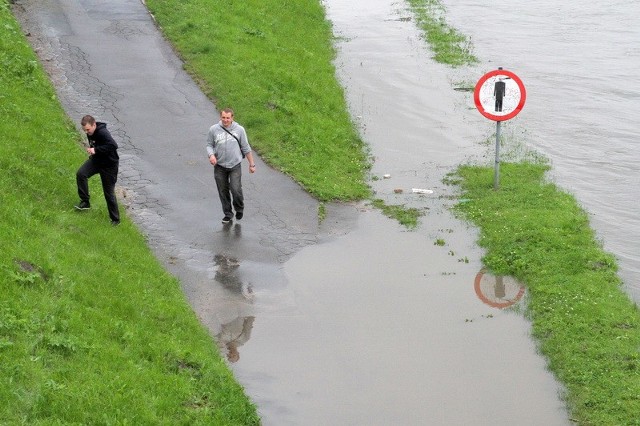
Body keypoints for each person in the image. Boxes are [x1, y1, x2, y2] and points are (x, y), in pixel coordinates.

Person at [206, 108, 256, 224]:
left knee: (235, 189)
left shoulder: (239, 130)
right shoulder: (214, 129)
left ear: (232, 118)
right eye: (223, 117)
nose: (225, 120)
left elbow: (246, 148)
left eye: (228, 118)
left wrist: (251, 164)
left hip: (235, 165)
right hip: (219, 166)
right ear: (220, 117)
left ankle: (239, 208)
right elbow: (209, 144)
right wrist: (211, 155)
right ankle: (228, 214)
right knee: (223, 190)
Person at [75, 115, 121, 226]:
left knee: (108, 193)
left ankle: (115, 220)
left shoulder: (102, 132)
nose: (86, 132)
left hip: (109, 165)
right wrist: (94, 152)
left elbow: (113, 145)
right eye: (84, 130)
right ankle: (85, 202)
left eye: (88, 129)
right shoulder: (90, 132)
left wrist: (95, 150)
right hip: (97, 161)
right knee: (81, 174)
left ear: (94, 124)